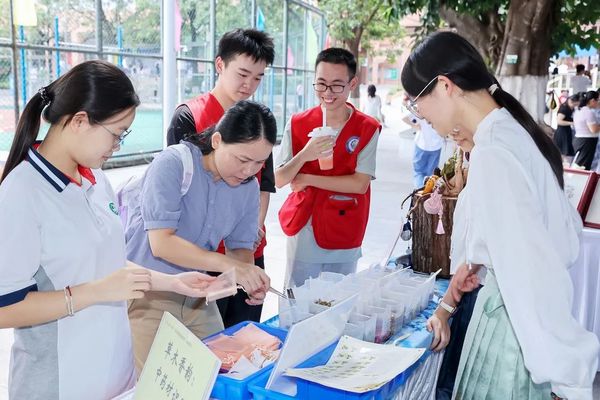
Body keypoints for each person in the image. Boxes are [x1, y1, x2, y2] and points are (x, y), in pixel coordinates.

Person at [0, 60, 215, 399]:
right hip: (60, 384)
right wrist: (93, 293)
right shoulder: (22, 192)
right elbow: (6, 308)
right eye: (116, 134)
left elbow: (107, 265)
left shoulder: (96, 178)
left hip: (113, 374)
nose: (117, 146)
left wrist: (172, 282)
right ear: (80, 121)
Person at [401, 32, 599, 399]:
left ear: (444, 86)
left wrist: (567, 378)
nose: (420, 116)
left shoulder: (496, 153)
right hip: (512, 328)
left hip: (512, 341)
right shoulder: (510, 134)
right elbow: (557, 239)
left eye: (417, 104)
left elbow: (531, 280)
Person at [126, 100, 276, 371]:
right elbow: (161, 244)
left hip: (197, 294)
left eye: (259, 162)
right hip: (149, 292)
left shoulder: (248, 187)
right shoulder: (173, 163)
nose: (248, 171)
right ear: (217, 140)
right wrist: (230, 267)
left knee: (215, 373)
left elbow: (241, 248)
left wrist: (248, 277)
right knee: (157, 381)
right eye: (242, 159)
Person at [166, 28, 276, 327]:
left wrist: (253, 227)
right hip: (199, 257)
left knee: (241, 338)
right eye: (243, 74)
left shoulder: (259, 120)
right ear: (220, 65)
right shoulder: (190, 115)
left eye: (258, 77)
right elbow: (179, 191)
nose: (249, 84)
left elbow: (263, 185)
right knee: (201, 342)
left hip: (244, 250)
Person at [275, 48, 380, 288]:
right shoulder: (299, 122)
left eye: (336, 85)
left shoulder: (367, 128)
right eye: (321, 84)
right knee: (298, 302)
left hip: (347, 225)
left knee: (337, 300)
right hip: (306, 228)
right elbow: (280, 179)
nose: (327, 93)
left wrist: (309, 179)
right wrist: (306, 154)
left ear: (352, 83)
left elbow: (359, 183)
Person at [402, 105, 444, 188]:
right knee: (431, 174)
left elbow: (404, 118)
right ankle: (427, 193)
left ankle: (419, 191)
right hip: (436, 146)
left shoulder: (422, 107)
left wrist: (415, 126)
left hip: (422, 145)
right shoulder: (440, 108)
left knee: (418, 172)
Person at [573, 90, 599, 170]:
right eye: (597, 100)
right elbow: (593, 129)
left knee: (579, 164)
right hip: (586, 141)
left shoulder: (578, 110)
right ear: (592, 101)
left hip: (580, 140)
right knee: (582, 166)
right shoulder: (588, 112)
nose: (598, 103)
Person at [553, 94, 578, 164]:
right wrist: (572, 123)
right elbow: (559, 121)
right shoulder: (564, 108)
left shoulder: (572, 109)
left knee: (566, 153)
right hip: (561, 132)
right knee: (562, 152)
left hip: (567, 131)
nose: (574, 105)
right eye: (573, 104)